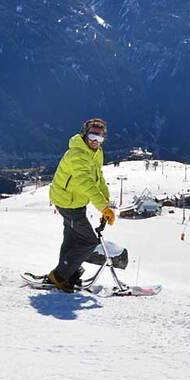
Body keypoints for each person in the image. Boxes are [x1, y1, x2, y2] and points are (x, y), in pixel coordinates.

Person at [43, 118, 115, 293]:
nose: (96, 141)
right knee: (89, 240)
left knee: (72, 239)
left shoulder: (97, 153)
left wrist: (105, 202)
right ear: (85, 134)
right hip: (67, 202)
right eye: (92, 136)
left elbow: (98, 179)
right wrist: (102, 208)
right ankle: (59, 276)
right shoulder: (77, 154)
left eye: (100, 138)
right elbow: (85, 182)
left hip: (78, 201)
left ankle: (68, 274)